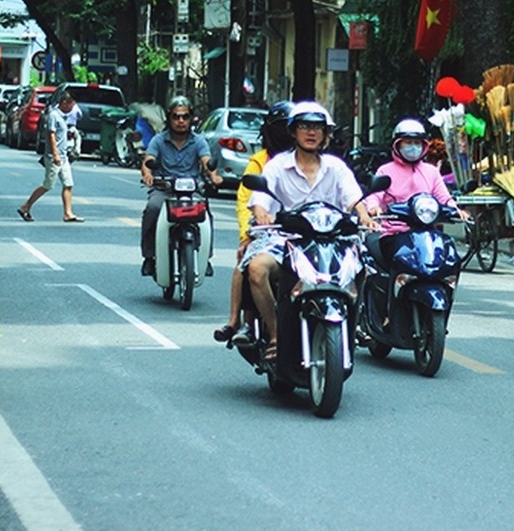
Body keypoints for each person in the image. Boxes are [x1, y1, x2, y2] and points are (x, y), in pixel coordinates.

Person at [245, 101, 377, 361]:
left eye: (317, 127)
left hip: (332, 241)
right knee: (257, 269)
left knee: (365, 266)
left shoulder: (336, 168)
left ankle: (354, 326)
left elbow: (354, 199)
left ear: (325, 134)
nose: (311, 132)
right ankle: (275, 334)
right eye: (304, 126)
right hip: (286, 240)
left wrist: (365, 215)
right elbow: (259, 199)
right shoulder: (276, 166)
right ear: (293, 132)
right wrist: (261, 213)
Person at [213, 100, 293, 345]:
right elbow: (246, 198)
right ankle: (240, 321)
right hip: (267, 232)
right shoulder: (261, 162)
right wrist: (249, 231)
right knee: (247, 259)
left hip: (305, 233)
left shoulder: (321, 164)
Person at [363, 117, 467, 262]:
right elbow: (375, 195)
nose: (413, 147)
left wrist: (456, 210)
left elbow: (443, 197)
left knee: (449, 257)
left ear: (424, 146)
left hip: (428, 233)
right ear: (397, 145)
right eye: (408, 142)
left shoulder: (431, 171)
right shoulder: (385, 171)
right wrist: (374, 207)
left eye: (417, 143)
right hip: (395, 233)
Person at [140, 96, 223, 277]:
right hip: (164, 188)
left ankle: (205, 257)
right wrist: (148, 174)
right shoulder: (158, 140)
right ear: (169, 118)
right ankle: (149, 257)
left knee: (206, 213)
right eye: (176, 117)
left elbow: (206, 160)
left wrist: (214, 176)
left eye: (185, 117)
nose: (180, 121)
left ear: (190, 119)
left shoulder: (199, 141)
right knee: (152, 208)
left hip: (191, 190)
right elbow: (148, 160)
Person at [17, 92, 83, 222]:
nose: (71, 108)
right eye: (70, 105)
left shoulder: (63, 117)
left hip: (64, 157)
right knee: (48, 185)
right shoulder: (53, 115)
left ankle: (68, 213)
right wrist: (55, 154)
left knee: (68, 184)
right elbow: (51, 135)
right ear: (63, 103)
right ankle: (26, 206)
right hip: (54, 157)